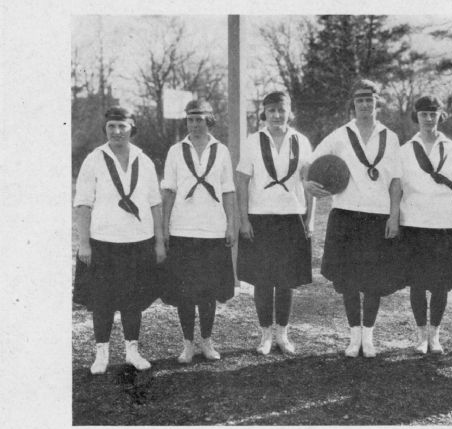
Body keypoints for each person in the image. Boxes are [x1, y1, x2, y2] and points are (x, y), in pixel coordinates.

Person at [306, 79, 403, 358]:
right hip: (346, 215)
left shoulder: (391, 137)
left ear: (377, 103)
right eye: (360, 100)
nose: (364, 105)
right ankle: (353, 337)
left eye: (369, 100)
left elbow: (396, 182)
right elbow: (312, 163)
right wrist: (308, 183)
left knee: (374, 280)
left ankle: (369, 337)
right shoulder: (340, 135)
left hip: (378, 216)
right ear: (353, 104)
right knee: (348, 280)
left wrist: (394, 217)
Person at [73, 107, 165, 374]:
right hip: (103, 242)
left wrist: (159, 242)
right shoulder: (94, 159)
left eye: (122, 126)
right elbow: (83, 204)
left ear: (131, 128)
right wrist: (85, 243)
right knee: (102, 301)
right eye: (111, 126)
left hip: (138, 241)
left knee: (132, 301)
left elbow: (155, 204)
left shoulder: (144, 160)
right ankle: (101, 354)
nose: (116, 132)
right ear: (106, 129)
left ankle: (132, 352)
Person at [236, 91, 315, 355]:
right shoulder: (252, 141)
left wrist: (309, 219)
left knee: (285, 280)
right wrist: (244, 220)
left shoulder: (301, 141)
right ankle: (265, 335)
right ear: (264, 113)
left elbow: (309, 183)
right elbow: (242, 182)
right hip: (260, 218)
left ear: (289, 112)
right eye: (271, 111)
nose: (277, 115)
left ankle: (282, 333)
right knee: (262, 280)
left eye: (281, 110)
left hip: (292, 217)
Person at [161, 100, 238, 363]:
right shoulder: (175, 151)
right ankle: (187, 344)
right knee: (185, 291)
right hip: (182, 229)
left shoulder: (222, 151)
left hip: (213, 231)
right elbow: (168, 191)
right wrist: (165, 227)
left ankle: (206, 341)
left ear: (210, 120)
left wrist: (230, 224)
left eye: (200, 119)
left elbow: (228, 190)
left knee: (208, 291)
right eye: (190, 119)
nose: (195, 124)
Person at [399, 96, 452, 354]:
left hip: (444, 224)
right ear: (416, 117)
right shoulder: (405, 150)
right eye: (423, 114)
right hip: (414, 224)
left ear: (441, 116)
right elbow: (399, 188)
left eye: (433, 114)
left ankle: (435, 334)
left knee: (441, 283)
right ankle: (420, 335)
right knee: (417, 283)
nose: (428, 119)